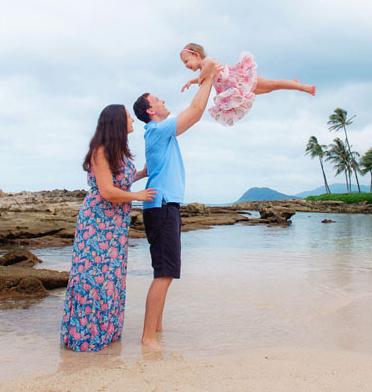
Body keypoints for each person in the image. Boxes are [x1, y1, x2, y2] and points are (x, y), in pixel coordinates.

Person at [133, 56, 219, 349]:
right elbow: (195, 112)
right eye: (157, 99)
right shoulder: (158, 129)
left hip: (163, 206)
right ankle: (148, 337)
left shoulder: (158, 135)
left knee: (164, 271)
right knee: (165, 273)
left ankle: (156, 329)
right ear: (150, 110)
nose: (162, 99)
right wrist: (208, 78)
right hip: (161, 206)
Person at [60, 104, 156, 352]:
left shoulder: (119, 152)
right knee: (92, 278)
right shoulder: (100, 151)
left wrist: (141, 174)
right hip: (97, 222)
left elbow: (118, 180)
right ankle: (85, 337)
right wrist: (137, 196)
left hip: (115, 225)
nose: (132, 121)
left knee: (111, 278)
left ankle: (106, 333)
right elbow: (106, 191)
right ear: (116, 122)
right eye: (128, 117)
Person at [179, 43, 316, 126]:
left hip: (238, 80)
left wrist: (201, 79)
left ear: (196, 55)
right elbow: (206, 77)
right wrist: (192, 81)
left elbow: (211, 63)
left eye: (186, 61)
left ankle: (303, 87)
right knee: (270, 88)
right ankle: (293, 83)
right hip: (235, 88)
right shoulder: (204, 70)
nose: (186, 66)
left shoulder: (205, 63)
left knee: (272, 85)